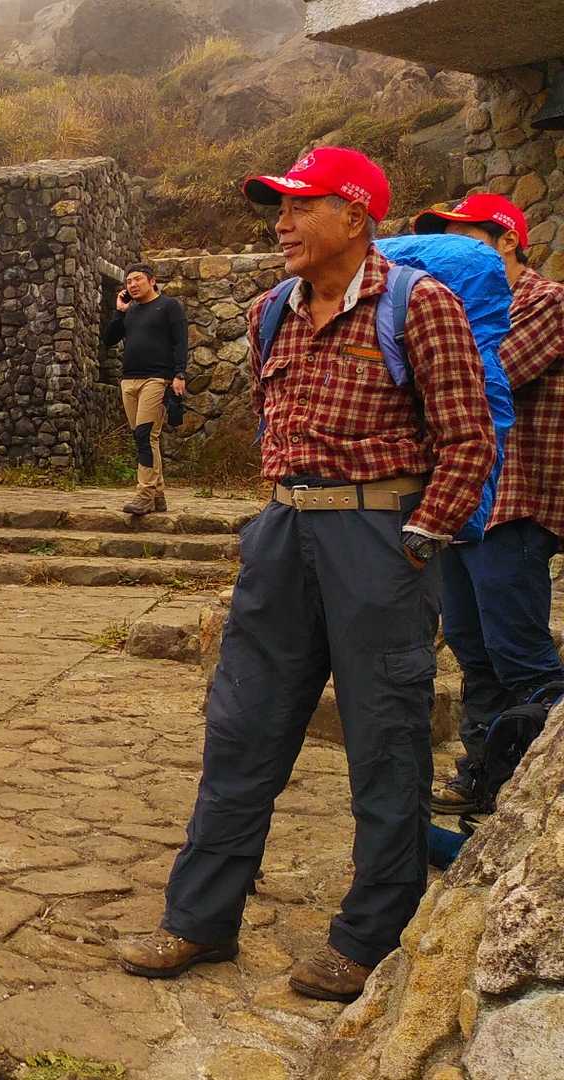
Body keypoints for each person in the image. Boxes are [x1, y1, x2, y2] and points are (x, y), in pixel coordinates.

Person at [116, 149, 496, 1003]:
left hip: (379, 539)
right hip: (285, 533)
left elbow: (468, 438)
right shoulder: (270, 313)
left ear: (354, 216)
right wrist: (275, 521)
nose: (281, 224)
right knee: (241, 729)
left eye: (300, 206)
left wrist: (419, 539)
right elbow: (274, 421)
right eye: (278, 208)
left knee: (386, 742)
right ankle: (199, 919)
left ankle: (370, 938)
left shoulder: (418, 305)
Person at [412, 194, 564, 816]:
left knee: (519, 652)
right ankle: (484, 775)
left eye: (466, 238)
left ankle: (542, 794)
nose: (451, 252)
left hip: (515, 501)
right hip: (464, 504)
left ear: (507, 241)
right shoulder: (454, 309)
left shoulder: (545, 302)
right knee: (473, 651)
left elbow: (482, 375)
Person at [104, 264, 187, 516]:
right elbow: (109, 339)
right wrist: (119, 312)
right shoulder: (130, 311)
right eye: (128, 281)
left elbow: (180, 341)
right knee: (144, 437)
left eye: (137, 279)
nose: (132, 285)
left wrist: (179, 374)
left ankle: (145, 494)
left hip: (157, 379)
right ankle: (158, 494)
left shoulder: (169, 306)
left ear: (152, 280)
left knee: (145, 435)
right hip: (129, 380)